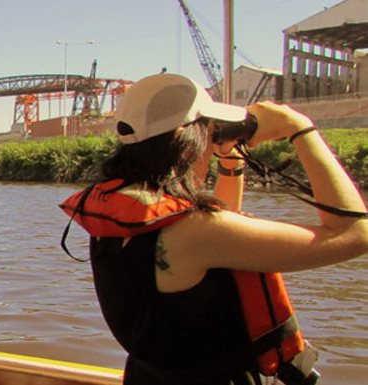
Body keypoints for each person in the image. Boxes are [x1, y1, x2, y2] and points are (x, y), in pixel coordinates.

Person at [60, 73, 368, 384]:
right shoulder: (196, 232)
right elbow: (354, 234)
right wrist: (301, 129)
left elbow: (220, 236)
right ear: (186, 139)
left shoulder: (122, 207)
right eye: (208, 131)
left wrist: (230, 164)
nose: (212, 140)